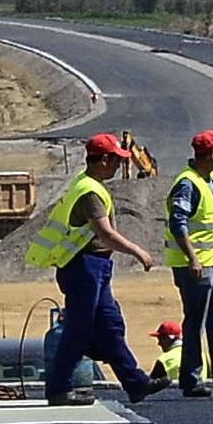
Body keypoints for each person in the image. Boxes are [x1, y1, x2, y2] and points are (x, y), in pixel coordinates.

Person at [25, 132, 169, 406]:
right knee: (78, 329)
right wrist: (137, 251)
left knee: (110, 326)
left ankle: (136, 383)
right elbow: (105, 233)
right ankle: (59, 387)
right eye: (115, 160)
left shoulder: (88, 185)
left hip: (96, 267)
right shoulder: (89, 191)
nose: (117, 165)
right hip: (84, 267)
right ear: (103, 160)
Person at [164, 130, 213, 398]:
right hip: (197, 265)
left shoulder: (212, 180)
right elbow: (178, 222)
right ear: (211, 154)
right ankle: (192, 378)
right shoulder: (188, 183)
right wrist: (192, 258)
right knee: (196, 322)